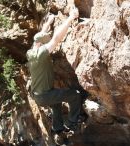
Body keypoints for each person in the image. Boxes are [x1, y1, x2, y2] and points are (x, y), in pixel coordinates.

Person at [26, 6, 85, 145]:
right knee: (75, 95)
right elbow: (56, 38)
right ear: (42, 45)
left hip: (38, 95)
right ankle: (72, 123)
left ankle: (58, 130)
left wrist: (49, 22)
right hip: (45, 95)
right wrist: (71, 17)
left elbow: (38, 37)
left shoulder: (31, 52)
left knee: (56, 105)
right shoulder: (41, 54)